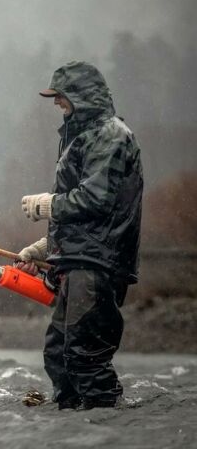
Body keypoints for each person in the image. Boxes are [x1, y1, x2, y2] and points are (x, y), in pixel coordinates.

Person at [16, 60, 143, 410]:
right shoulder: (82, 136)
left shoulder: (112, 136)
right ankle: (72, 429)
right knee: (60, 357)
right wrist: (44, 247)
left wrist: (47, 205)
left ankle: (107, 430)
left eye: (60, 97)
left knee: (85, 358)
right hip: (78, 262)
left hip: (97, 266)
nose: (57, 104)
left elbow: (96, 199)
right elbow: (87, 210)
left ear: (81, 96)